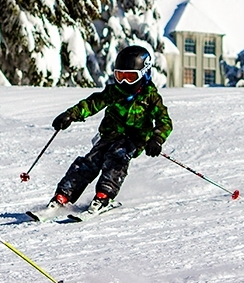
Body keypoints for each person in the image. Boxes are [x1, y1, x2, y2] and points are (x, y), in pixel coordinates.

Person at [43, 45, 172, 215]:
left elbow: (165, 121)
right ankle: (63, 195)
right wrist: (70, 115)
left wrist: (157, 138)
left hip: (134, 139)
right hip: (109, 135)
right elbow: (92, 103)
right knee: (90, 161)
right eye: (120, 76)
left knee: (116, 157)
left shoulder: (150, 97)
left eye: (130, 77)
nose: (124, 82)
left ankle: (104, 195)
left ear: (144, 74)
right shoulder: (114, 92)